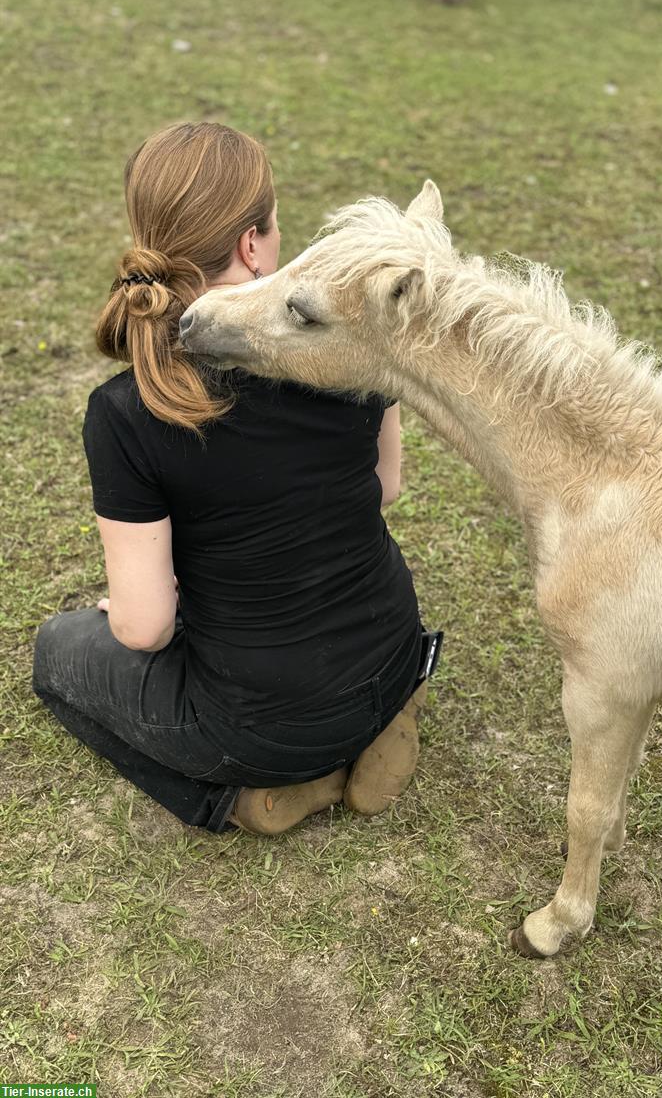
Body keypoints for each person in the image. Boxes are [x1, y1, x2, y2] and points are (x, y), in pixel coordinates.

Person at [31, 121, 442, 836]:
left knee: (55, 654)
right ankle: (384, 720)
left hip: (265, 729)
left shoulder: (125, 410)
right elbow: (387, 485)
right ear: (252, 244)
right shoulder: (351, 349)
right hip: (395, 652)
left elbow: (146, 626)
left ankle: (244, 797)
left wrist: (145, 605)